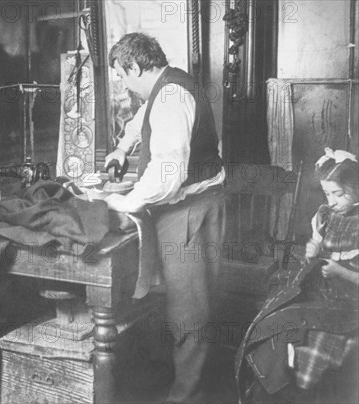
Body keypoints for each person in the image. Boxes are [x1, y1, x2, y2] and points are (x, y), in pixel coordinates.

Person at [103, 32, 225, 403]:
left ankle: (187, 397)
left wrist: (124, 202)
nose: (123, 85)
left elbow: (168, 173)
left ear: (136, 66)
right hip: (185, 207)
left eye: (123, 77)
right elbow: (144, 117)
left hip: (191, 210)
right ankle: (171, 380)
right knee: (176, 304)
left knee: (190, 313)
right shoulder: (167, 83)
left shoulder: (171, 96)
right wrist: (122, 148)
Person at [236, 148, 359, 403]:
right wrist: (313, 250)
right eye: (327, 193)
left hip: (349, 302)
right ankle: (269, 389)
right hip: (320, 290)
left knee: (300, 329)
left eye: (339, 193)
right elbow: (314, 252)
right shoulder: (326, 215)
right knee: (273, 322)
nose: (332, 201)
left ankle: (297, 392)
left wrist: (340, 271)